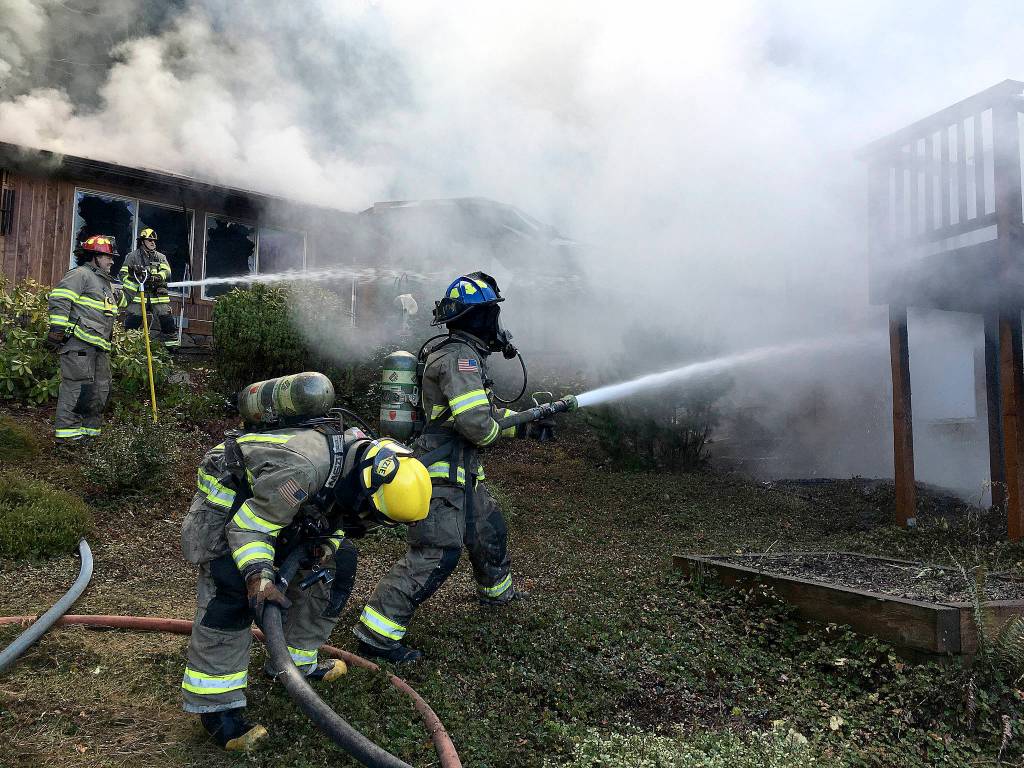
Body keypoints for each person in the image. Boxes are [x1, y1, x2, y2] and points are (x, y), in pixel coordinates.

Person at [179, 416, 432, 751]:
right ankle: (217, 710)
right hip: (232, 496)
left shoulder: (362, 469)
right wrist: (259, 575)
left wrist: (324, 547)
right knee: (233, 586)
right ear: (367, 487)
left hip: (275, 500)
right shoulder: (302, 471)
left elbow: (340, 517)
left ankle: (294, 662)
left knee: (338, 563)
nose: (369, 523)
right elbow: (250, 527)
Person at [354, 272, 547, 663]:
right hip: (441, 473)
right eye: (490, 313)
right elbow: (477, 426)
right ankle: (377, 634)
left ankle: (497, 595)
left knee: (488, 530)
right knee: (437, 550)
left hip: (464, 471)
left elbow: (479, 414)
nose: (495, 321)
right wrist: (496, 431)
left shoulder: (463, 355)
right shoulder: (459, 358)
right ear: (477, 317)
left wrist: (527, 423)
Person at [46, 235, 121, 440]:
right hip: (79, 343)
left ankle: (89, 436)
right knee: (77, 388)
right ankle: (67, 437)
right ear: (94, 256)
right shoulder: (80, 274)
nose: (112, 261)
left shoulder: (105, 284)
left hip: (99, 347)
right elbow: (60, 298)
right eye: (108, 257)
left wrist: (136, 281)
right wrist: (57, 330)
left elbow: (119, 304)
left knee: (99, 391)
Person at [119, 228, 178, 348]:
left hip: (157, 295)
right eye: (149, 240)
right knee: (133, 320)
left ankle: (171, 347)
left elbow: (167, 271)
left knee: (166, 319)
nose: (153, 243)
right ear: (142, 241)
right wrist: (134, 278)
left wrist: (158, 277)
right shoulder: (132, 256)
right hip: (139, 295)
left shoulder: (160, 257)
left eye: (154, 241)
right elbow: (123, 274)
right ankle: (129, 347)